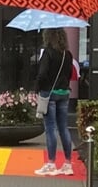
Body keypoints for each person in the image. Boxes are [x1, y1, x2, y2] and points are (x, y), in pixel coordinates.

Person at [31, 30, 79, 176]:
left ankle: (51, 163)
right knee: (63, 128)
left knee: (50, 128)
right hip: (64, 93)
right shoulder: (68, 54)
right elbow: (70, 74)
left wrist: (36, 88)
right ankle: (67, 164)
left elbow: (43, 73)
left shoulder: (48, 53)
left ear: (48, 37)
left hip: (49, 93)